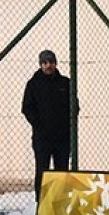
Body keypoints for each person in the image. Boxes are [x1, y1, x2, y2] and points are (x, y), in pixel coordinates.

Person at [21, 50, 77, 201]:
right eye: (45, 63)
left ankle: (61, 200)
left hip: (62, 137)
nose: (48, 66)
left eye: (51, 62)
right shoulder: (33, 84)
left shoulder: (65, 83)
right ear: (40, 65)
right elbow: (27, 108)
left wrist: (67, 124)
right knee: (42, 170)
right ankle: (41, 202)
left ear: (55, 63)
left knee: (62, 170)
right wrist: (38, 125)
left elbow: (74, 106)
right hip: (42, 138)